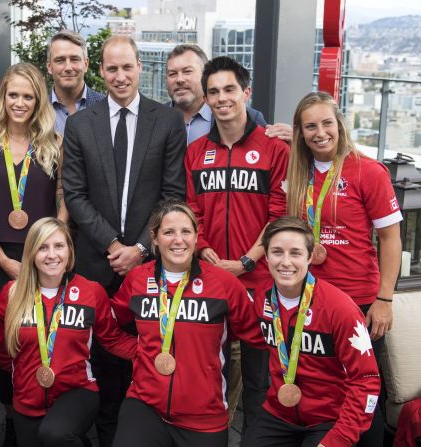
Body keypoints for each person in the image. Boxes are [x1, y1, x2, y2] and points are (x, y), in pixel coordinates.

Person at [62, 35, 186, 447]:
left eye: (127, 67)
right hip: (97, 264)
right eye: (111, 68)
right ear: (101, 70)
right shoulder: (81, 124)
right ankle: (106, 434)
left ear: (139, 67)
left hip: (149, 266)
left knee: (149, 353)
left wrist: (141, 250)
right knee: (99, 360)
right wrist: (115, 246)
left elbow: (172, 194)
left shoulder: (166, 121)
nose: (119, 76)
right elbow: (75, 194)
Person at [285, 91, 402, 446]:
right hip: (311, 299)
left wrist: (384, 299)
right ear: (300, 132)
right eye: (310, 126)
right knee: (322, 385)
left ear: (339, 124)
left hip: (359, 300)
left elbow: (391, 239)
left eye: (326, 123)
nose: (320, 132)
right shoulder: (297, 173)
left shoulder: (368, 170)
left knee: (364, 390)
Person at [184, 55, 289, 432]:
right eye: (213, 92)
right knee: (212, 373)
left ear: (246, 92)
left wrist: (246, 261)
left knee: (261, 381)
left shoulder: (275, 149)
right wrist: (204, 247)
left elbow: (278, 214)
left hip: (260, 282)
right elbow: (192, 210)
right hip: (211, 280)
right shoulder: (196, 153)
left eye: (229, 89)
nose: (221, 98)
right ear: (206, 98)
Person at [111, 199, 265, 447]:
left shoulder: (224, 284)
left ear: (196, 237)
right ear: (155, 237)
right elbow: (111, 324)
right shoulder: (137, 279)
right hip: (145, 405)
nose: (178, 240)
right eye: (168, 232)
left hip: (204, 416)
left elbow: (256, 337)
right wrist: (137, 351)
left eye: (186, 231)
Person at [0, 62, 67, 446]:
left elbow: (63, 202)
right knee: (4, 345)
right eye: (14, 95)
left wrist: (50, 244)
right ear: (2, 95)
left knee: (39, 338)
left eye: (28, 96)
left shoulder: (53, 143)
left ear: (39, 100)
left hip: (42, 258)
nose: (20, 103)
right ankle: (11, 416)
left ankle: (40, 414)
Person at [0, 217, 136, 447]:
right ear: (31, 253)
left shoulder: (91, 292)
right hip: (27, 399)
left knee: (55, 434)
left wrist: (149, 352)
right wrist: (18, 375)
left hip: (77, 391)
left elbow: (112, 339)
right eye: (43, 247)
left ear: (69, 250)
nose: (51, 255)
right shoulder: (12, 294)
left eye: (59, 246)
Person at [242, 216, 381, 447]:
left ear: (310, 257)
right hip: (279, 414)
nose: (285, 262)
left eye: (295, 253)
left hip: (328, 419)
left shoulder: (340, 308)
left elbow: (366, 380)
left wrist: (339, 439)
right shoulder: (262, 298)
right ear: (265, 257)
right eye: (277, 252)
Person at [164, 43, 291, 145]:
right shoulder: (153, 120)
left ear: (205, 75)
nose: (179, 79)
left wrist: (295, 145)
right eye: (172, 74)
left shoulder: (251, 118)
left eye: (187, 71)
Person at [46, 30, 106, 135]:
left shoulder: (106, 107)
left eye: (74, 59)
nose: (68, 67)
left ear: (86, 64)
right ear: (49, 67)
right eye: (60, 60)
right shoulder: (37, 110)